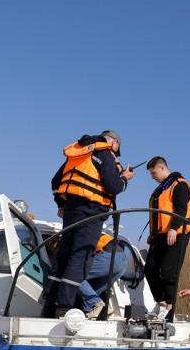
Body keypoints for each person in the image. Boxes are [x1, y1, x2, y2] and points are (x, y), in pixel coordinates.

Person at [43, 130, 135, 318]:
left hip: (71, 212)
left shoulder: (79, 153)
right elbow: (113, 186)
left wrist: (61, 204)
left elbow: (55, 181)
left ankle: (49, 304)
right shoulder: (105, 153)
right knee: (80, 259)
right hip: (91, 213)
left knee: (64, 257)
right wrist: (125, 177)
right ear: (113, 142)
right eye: (117, 149)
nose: (116, 152)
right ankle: (64, 308)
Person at [144, 156, 190, 319]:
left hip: (177, 234)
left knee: (168, 271)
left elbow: (181, 209)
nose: (152, 177)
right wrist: (153, 234)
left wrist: (173, 228)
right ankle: (162, 303)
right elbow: (158, 215)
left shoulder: (179, 185)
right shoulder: (159, 190)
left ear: (162, 168)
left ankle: (170, 307)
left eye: (153, 173)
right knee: (149, 268)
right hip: (160, 236)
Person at [77, 233, 127, 319]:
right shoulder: (96, 231)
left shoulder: (80, 234)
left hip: (108, 257)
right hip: (123, 262)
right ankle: (91, 311)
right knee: (92, 290)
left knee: (73, 275)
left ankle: (97, 303)